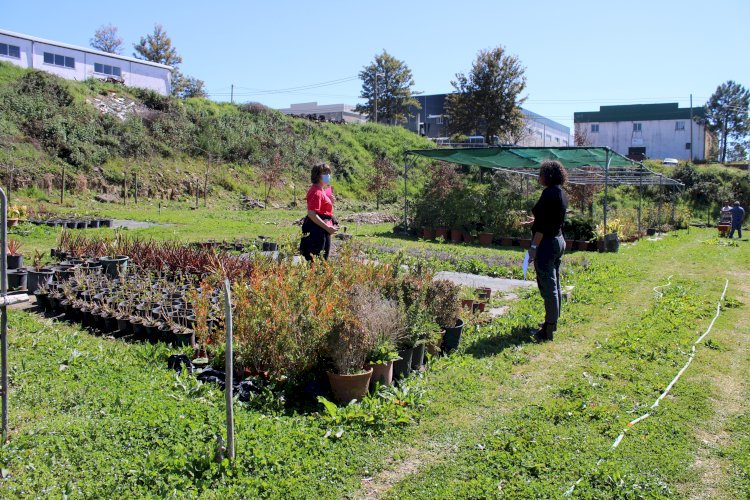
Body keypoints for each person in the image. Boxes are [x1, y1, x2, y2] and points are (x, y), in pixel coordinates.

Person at [528, 160, 569, 342]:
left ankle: (548, 329)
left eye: (541, 173)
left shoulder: (548, 194)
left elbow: (543, 226)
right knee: (556, 284)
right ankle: (552, 322)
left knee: (548, 286)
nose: (539, 177)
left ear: (548, 175)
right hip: (558, 240)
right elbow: (551, 218)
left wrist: (534, 248)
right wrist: (534, 222)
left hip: (546, 243)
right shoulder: (561, 193)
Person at [300, 163, 337, 261]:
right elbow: (312, 213)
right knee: (317, 261)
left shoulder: (322, 191)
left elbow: (323, 210)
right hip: (316, 231)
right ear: (317, 175)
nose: (328, 175)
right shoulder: (316, 192)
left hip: (321, 230)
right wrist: (327, 227)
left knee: (321, 260)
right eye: (325, 173)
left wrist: (330, 201)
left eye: (328, 173)